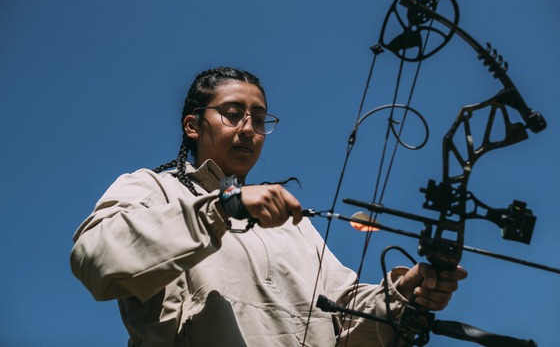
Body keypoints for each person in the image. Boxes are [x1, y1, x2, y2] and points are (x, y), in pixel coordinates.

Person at [70, 67, 467, 347]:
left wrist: (402, 294)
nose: (248, 129)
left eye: (258, 119)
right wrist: (224, 208)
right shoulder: (154, 188)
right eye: (231, 114)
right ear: (193, 125)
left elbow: (344, 319)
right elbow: (94, 259)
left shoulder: (289, 222)